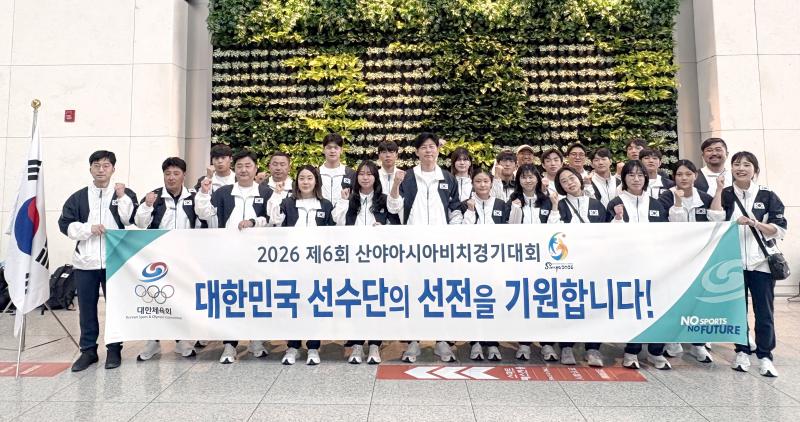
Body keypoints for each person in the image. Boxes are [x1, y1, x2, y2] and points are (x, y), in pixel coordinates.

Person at [58, 150, 138, 372]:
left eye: (106, 165)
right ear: (90, 169)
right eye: (96, 165)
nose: (101, 170)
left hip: (115, 262)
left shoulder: (124, 194)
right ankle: (88, 351)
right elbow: (65, 225)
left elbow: (130, 220)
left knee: (115, 307)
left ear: (113, 169)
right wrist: (88, 229)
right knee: (86, 308)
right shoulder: (78, 197)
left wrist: (122, 197)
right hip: (86, 262)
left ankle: (114, 349)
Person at [708, 152, 786, 377]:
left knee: (764, 312)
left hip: (761, 263)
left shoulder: (767, 195)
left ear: (755, 170)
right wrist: (719, 189)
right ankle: (741, 351)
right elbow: (714, 218)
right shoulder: (727, 193)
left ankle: (765, 355)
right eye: (736, 164)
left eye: (746, 164)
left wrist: (754, 223)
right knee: (737, 311)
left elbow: (779, 229)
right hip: (733, 263)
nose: (740, 168)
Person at [387, 132, 463, 362]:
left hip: (441, 248)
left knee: (441, 293)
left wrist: (451, 233)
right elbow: (393, 207)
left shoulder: (447, 177)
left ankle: (441, 341)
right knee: (414, 293)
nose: (428, 150)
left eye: (432, 146)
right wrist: (395, 184)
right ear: (417, 152)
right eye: (424, 147)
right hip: (414, 247)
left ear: (438, 150)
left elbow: (455, 209)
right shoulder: (407, 177)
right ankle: (413, 342)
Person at [195, 150, 273, 363]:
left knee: (256, 298)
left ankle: (256, 340)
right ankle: (230, 344)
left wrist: (254, 222)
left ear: (256, 168)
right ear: (234, 168)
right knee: (232, 299)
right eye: (240, 166)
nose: (244, 170)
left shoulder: (266, 192)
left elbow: (272, 219)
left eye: (248, 166)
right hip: (229, 254)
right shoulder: (223, 192)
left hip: (257, 256)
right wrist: (203, 193)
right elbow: (204, 213)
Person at [134, 157, 203, 361]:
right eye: (167, 174)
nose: (171, 177)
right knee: (156, 299)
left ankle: (181, 340)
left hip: (184, 259)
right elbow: (140, 223)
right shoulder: (153, 197)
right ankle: (153, 342)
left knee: (181, 299)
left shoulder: (193, 197)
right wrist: (147, 205)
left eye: (176, 173)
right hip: (157, 259)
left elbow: (201, 225)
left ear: (184, 175)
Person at [607, 160, 671, 370]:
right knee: (633, 309)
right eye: (631, 175)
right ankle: (631, 350)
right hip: (627, 267)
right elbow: (606, 236)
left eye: (640, 175)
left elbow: (667, 235)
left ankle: (656, 351)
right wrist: (617, 219)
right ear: (623, 178)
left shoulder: (656, 204)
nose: (636, 179)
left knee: (657, 307)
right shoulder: (615, 203)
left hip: (655, 266)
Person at [268, 165, 335, 365]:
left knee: (315, 304)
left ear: (316, 181)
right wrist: (277, 196)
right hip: (292, 264)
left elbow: (333, 232)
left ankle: (313, 347)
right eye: (302, 178)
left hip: (317, 264)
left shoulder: (325, 205)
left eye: (309, 178)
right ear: (296, 182)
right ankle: (293, 346)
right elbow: (275, 219)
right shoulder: (288, 203)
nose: (306, 182)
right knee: (294, 305)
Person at [334, 160, 397, 364]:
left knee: (376, 303)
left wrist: (384, 229)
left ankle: (375, 345)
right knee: (356, 302)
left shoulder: (384, 199)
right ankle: (357, 344)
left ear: (375, 177)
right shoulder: (349, 198)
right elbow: (338, 222)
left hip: (378, 261)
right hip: (353, 260)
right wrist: (343, 201)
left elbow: (396, 223)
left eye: (369, 174)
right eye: (361, 173)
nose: (365, 177)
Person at [544, 167, 606, 367]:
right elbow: (552, 231)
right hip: (569, 264)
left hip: (594, 263)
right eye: (564, 181)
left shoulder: (596, 204)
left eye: (571, 178)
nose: (569, 183)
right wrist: (554, 206)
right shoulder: (560, 204)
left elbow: (606, 232)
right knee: (569, 305)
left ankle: (593, 349)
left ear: (579, 178)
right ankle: (567, 347)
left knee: (594, 305)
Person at [658, 159, 715, 363]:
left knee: (698, 302)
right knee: (674, 300)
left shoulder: (705, 198)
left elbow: (716, 222)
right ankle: (672, 339)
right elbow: (670, 226)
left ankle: (698, 344)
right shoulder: (665, 197)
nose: (684, 178)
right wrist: (678, 201)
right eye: (679, 174)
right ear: (673, 177)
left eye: (688, 174)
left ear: (695, 176)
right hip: (674, 259)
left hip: (700, 258)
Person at [506, 164, 558, 360]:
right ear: (518, 180)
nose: (527, 180)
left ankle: (547, 343)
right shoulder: (513, 201)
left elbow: (554, 228)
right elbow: (510, 229)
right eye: (523, 177)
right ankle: (524, 343)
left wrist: (554, 206)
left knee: (545, 302)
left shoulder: (547, 201)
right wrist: (516, 210)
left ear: (537, 178)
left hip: (545, 261)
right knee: (524, 303)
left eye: (531, 177)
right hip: (520, 261)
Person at [462, 169, 508, 361]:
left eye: (485, 181)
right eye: (478, 181)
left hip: (495, 261)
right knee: (475, 303)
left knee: (493, 303)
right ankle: (475, 342)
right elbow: (462, 232)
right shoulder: (465, 204)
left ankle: (493, 343)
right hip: (472, 262)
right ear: (472, 184)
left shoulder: (501, 204)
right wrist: (470, 211)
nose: (482, 185)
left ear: (491, 183)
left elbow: (508, 231)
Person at [319, 133, 356, 204]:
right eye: (329, 147)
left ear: (341, 150)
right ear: (323, 150)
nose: (332, 151)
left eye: (336, 148)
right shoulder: (316, 174)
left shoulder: (351, 174)